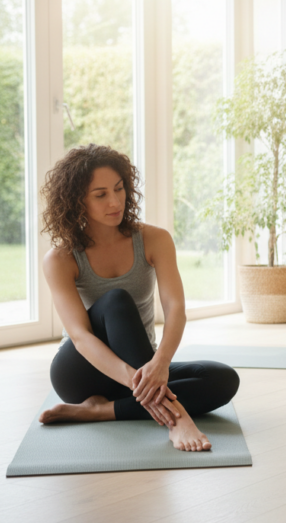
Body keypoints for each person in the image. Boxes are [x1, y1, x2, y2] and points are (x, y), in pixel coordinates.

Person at [38, 144, 239, 452]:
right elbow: (79, 337)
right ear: (77, 200)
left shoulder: (154, 239)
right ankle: (177, 418)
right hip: (82, 373)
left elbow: (175, 308)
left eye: (119, 189)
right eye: (100, 194)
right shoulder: (61, 258)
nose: (115, 201)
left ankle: (100, 411)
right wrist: (147, 386)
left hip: (144, 369)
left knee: (223, 379)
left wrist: (161, 364)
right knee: (116, 300)